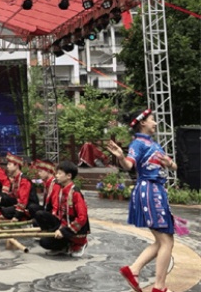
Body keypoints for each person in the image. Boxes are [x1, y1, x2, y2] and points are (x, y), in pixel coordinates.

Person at [106, 109, 178, 292]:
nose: (155, 123)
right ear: (143, 122)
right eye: (152, 120)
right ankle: (159, 287)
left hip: (157, 191)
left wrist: (169, 164)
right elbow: (129, 165)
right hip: (149, 190)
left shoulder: (154, 145)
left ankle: (133, 270)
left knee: (164, 240)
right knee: (166, 241)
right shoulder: (137, 144)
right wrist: (121, 157)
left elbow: (174, 166)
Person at [35, 160, 90, 257]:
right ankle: (63, 247)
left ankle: (79, 244)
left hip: (76, 229)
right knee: (44, 241)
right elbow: (61, 214)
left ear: (69, 176)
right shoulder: (62, 190)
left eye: (59, 173)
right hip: (65, 224)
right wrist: (59, 228)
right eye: (57, 173)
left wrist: (64, 231)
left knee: (46, 241)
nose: (56, 176)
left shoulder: (75, 193)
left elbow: (82, 217)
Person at [0, 153, 38, 221]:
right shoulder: (15, 179)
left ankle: (23, 217)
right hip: (20, 203)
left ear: (16, 166)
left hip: (28, 206)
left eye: (9, 164)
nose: (7, 166)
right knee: (4, 203)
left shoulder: (24, 180)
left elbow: (23, 201)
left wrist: (16, 217)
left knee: (7, 211)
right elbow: (13, 196)